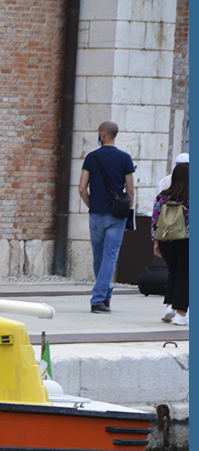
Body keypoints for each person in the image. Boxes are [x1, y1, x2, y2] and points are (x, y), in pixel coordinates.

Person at [78, 120, 135, 313]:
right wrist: (129, 213)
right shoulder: (125, 158)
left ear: (102, 134)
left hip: (96, 214)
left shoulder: (91, 158)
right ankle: (99, 298)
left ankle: (103, 295)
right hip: (116, 215)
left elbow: (81, 188)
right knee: (110, 257)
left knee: (99, 257)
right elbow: (130, 190)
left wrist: (91, 204)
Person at [152, 161, 188, 326]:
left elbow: (155, 219)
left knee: (173, 272)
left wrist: (156, 241)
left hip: (166, 239)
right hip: (185, 240)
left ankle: (169, 307)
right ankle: (181, 313)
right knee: (185, 275)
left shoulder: (163, 196)